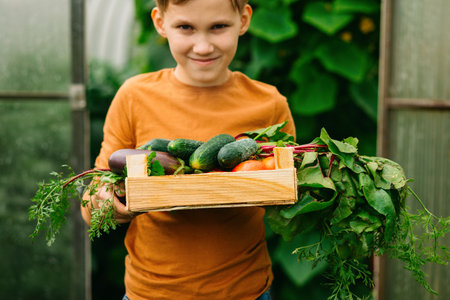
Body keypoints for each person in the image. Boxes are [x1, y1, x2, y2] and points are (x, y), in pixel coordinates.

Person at [81, 0, 296, 299]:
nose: (203, 46)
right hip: (150, 293)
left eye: (218, 27)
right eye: (186, 28)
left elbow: (287, 191)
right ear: (160, 22)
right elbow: (92, 202)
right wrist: (112, 202)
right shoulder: (134, 97)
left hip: (246, 291)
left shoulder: (269, 104)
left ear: (244, 20)